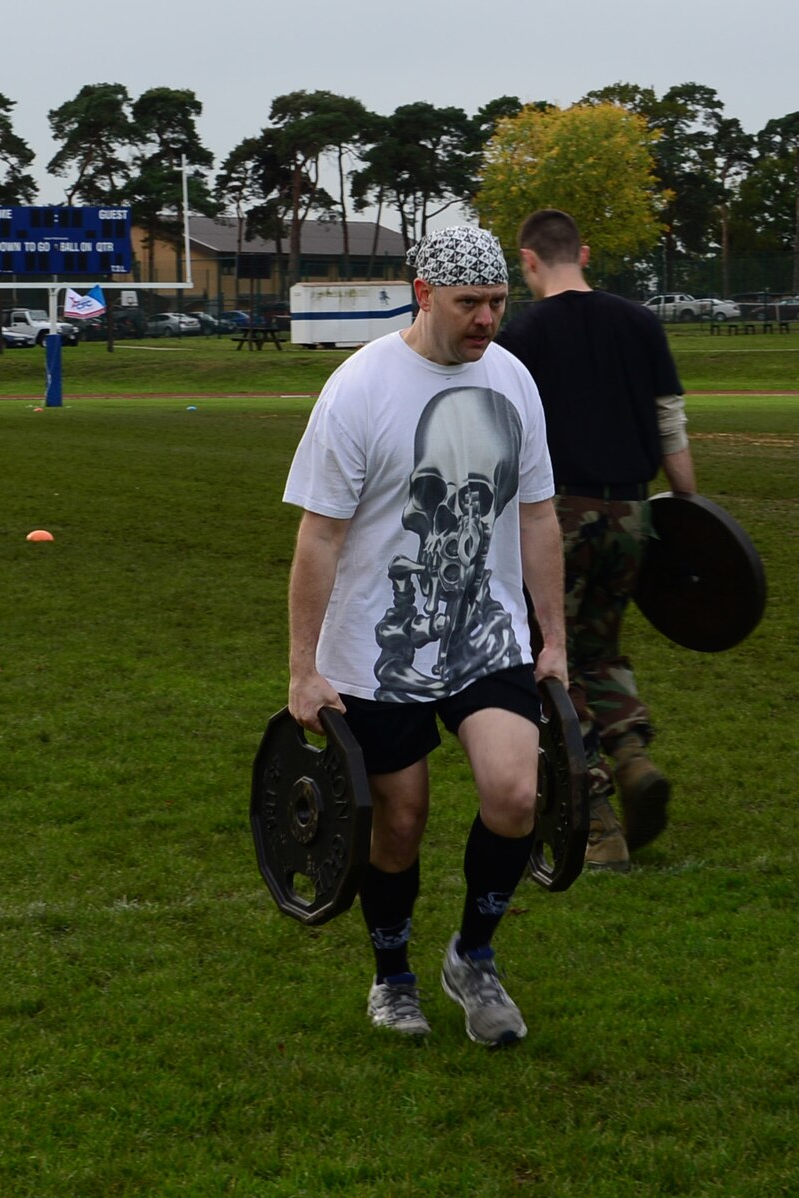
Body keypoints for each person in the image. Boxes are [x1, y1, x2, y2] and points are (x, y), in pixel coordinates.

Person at [283, 224, 565, 1047]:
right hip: (379, 644)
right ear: (422, 294)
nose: (486, 320)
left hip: (488, 631)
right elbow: (319, 537)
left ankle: (473, 959)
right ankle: (393, 974)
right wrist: (303, 669)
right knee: (398, 822)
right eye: (468, 304)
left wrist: (552, 638)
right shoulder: (359, 388)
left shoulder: (513, 380)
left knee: (516, 796)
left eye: (497, 302)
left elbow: (540, 513)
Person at [494, 208, 693, 872]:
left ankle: (599, 820)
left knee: (550, 656)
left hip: (557, 518)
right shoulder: (641, 322)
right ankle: (633, 758)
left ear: (527, 261)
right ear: (584, 252)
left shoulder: (519, 334)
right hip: (634, 514)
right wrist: (690, 510)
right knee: (602, 648)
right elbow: (671, 423)